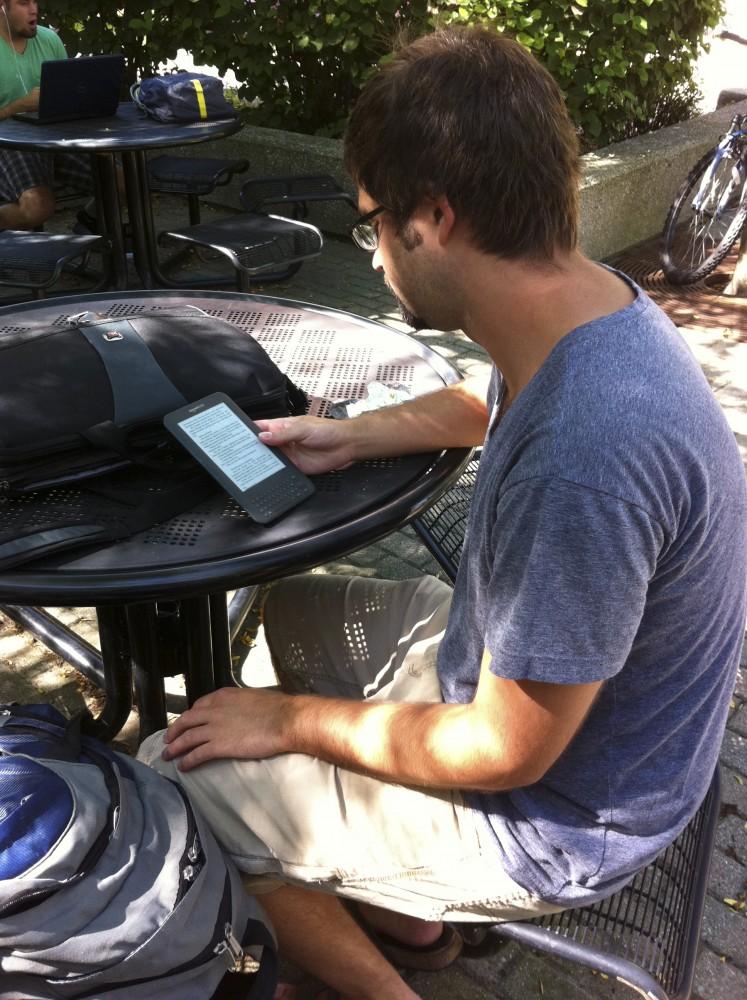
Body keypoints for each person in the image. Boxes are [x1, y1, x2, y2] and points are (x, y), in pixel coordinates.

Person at [138, 25, 747, 1000]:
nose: (373, 256)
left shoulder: (586, 461)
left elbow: (504, 749)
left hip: (556, 815)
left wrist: (288, 721)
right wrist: (355, 435)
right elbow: (489, 401)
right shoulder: (588, 312)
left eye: (372, 222)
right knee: (292, 611)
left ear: (435, 216)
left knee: (178, 775)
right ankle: (411, 917)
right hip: (548, 698)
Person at [0, 0, 91, 229]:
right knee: (38, 206)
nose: (34, 9)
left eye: (35, 1)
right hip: (7, 144)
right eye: (23, 3)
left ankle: (91, 223)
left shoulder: (49, 40)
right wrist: (15, 107)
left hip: (52, 137)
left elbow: (70, 93)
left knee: (122, 182)